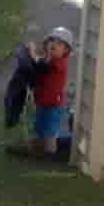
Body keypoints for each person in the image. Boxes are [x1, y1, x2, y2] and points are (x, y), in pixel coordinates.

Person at [8, 27, 73, 158]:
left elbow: (40, 66)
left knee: (49, 134)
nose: (54, 44)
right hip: (43, 103)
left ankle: (51, 155)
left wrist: (32, 53)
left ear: (65, 50)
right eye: (52, 41)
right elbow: (40, 64)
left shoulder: (59, 63)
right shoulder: (49, 59)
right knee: (40, 129)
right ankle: (36, 148)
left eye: (59, 43)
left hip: (53, 106)